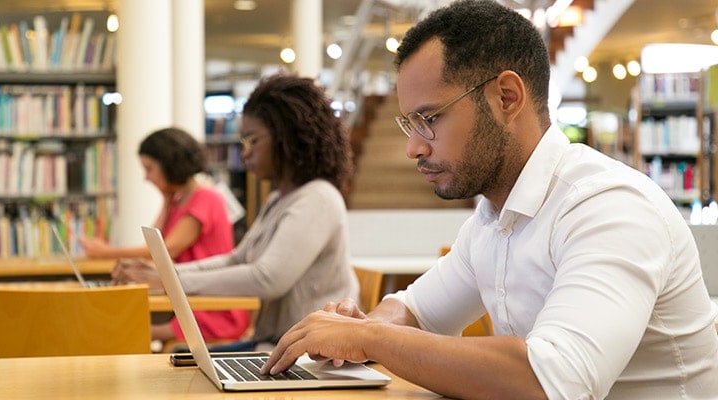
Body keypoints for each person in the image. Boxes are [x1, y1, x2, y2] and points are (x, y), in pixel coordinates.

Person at [260, 1, 718, 399]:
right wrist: (357, 331)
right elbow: (415, 312)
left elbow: (551, 383)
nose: (413, 148)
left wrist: (371, 338)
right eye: (409, 124)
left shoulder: (609, 206)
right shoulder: (492, 218)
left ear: (507, 97)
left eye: (430, 118)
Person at [111, 74, 359, 351]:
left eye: (253, 141)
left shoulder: (318, 198)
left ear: (287, 138)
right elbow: (236, 259)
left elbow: (267, 278)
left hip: (304, 353)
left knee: (177, 361)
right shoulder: (280, 199)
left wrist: (168, 279)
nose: (245, 154)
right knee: (178, 359)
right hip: (275, 344)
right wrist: (165, 271)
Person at [79, 127, 249, 344]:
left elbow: (166, 249)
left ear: (169, 166)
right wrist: (167, 201)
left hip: (213, 309)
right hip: (191, 300)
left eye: (149, 169)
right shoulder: (178, 201)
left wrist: (105, 253)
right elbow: (154, 241)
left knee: (125, 329)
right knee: (124, 325)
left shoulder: (206, 198)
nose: (146, 178)